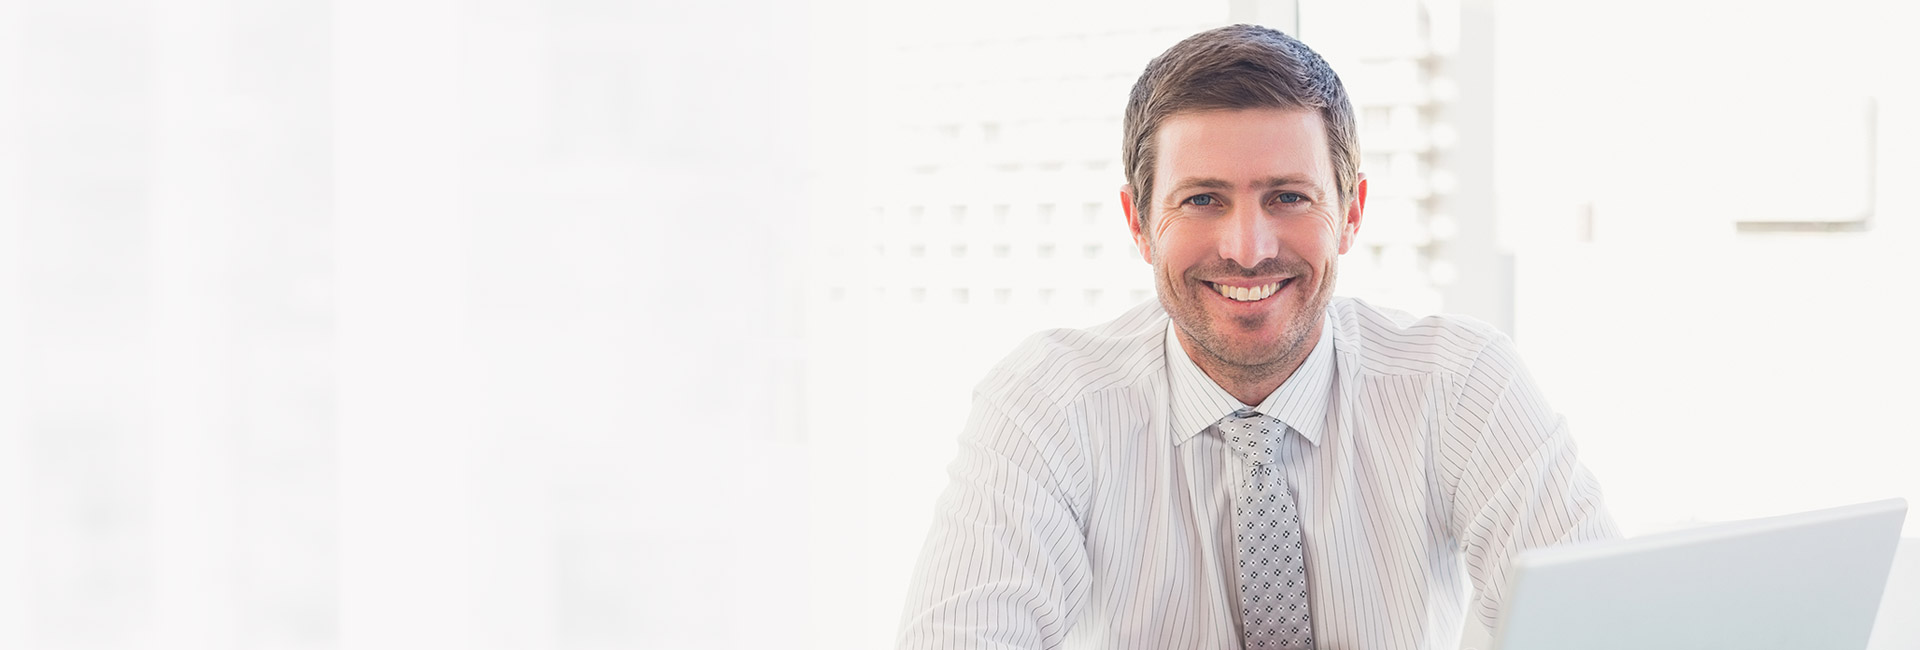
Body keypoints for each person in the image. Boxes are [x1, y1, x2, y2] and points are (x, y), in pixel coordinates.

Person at [895, 24, 1618, 650]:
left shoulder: (1462, 384)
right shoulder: (1049, 404)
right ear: (1139, 223)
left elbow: (1602, 629)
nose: (1248, 249)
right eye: (1203, 199)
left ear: (1352, 211)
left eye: (1288, 197)